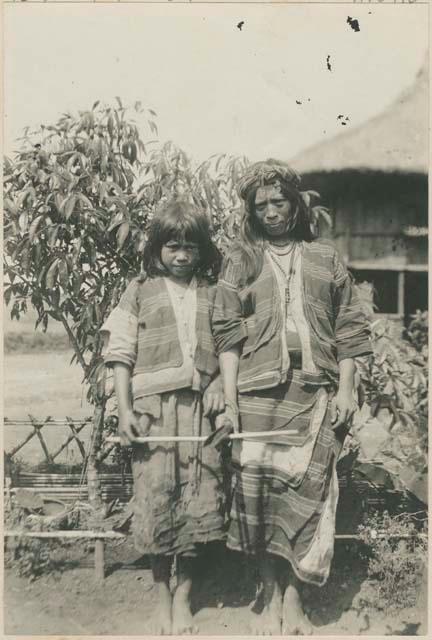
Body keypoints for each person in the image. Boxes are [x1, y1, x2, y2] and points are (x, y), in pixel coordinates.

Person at [212, 160, 372, 635]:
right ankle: (267, 592)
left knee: (313, 493)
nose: (270, 212)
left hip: (318, 391)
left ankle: (296, 598)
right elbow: (226, 333)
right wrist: (231, 396)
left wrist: (346, 389)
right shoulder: (240, 260)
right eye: (260, 206)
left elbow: (350, 327)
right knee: (260, 496)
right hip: (258, 395)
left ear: (295, 203)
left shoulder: (325, 257)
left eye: (278, 202)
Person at [102, 199, 227, 635]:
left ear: (202, 251)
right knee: (157, 497)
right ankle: (160, 597)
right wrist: (123, 411)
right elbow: (119, 354)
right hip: (153, 414)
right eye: (172, 246)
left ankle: (183, 598)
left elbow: (230, 351)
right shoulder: (139, 291)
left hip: (200, 413)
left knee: (198, 497)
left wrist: (215, 386)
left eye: (190, 247)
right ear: (157, 249)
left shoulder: (213, 293)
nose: (181, 256)